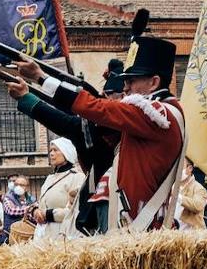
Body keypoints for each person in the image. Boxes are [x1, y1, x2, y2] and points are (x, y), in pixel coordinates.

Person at [18, 10, 184, 232]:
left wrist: (41, 78)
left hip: (134, 218)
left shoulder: (155, 112)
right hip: (126, 214)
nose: (126, 88)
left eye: (132, 81)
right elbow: (88, 118)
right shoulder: (152, 113)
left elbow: (96, 109)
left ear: (154, 83)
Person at [8, 59, 125, 237]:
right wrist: (28, 95)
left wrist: (35, 84)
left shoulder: (123, 121)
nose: (103, 100)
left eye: (109, 95)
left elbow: (70, 121)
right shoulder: (97, 124)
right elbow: (73, 115)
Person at [31, 139, 85, 240]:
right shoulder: (50, 178)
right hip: (43, 235)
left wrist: (48, 214)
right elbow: (42, 203)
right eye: (50, 150)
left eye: (55, 150)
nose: (51, 154)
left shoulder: (77, 177)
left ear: (66, 152)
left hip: (64, 235)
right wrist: (36, 211)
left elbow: (74, 211)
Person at [174, 159, 207, 230]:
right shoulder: (171, 187)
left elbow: (198, 206)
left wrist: (178, 196)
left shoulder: (199, 188)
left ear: (190, 168)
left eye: (181, 166)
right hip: (172, 235)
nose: (177, 169)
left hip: (192, 236)